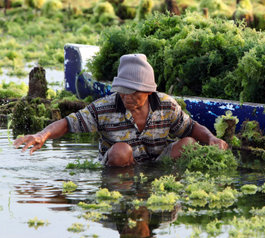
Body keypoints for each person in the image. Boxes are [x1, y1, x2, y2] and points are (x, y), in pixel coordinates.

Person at [14, 54, 228, 166]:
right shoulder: (104, 108)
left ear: (148, 91)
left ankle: (163, 180)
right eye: (123, 91)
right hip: (119, 165)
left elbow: (191, 128)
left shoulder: (166, 105)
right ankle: (124, 188)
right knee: (121, 151)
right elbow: (68, 124)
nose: (127, 97)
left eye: (134, 93)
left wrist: (211, 139)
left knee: (188, 144)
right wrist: (42, 135)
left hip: (158, 162)